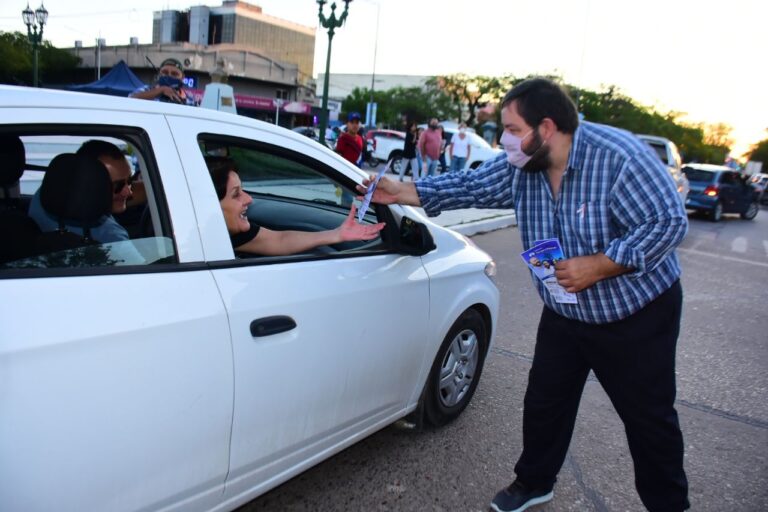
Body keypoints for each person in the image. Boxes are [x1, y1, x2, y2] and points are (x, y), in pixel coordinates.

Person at [358, 78, 690, 512]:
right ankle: (535, 482)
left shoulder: (619, 158)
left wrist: (601, 264)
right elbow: (469, 187)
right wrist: (400, 192)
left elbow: (668, 223)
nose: (504, 140)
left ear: (547, 128)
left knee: (648, 420)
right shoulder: (523, 164)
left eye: (512, 129)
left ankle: (668, 504)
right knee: (545, 403)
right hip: (565, 310)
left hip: (634, 312)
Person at [206, 156, 384, 256]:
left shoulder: (234, 235)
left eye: (243, 190)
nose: (249, 199)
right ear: (211, 205)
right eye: (236, 194)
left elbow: (279, 240)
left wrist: (337, 234)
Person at [29, 140, 134, 242]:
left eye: (130, 180)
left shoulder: (46, 195)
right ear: (88, 183)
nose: (129, 192)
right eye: (117, 185)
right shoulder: (112, 236)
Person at [130, 58, 197, 106]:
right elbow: (131, 99)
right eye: (165, 72)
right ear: (159, 74)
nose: (169, 76)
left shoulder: (190, 101)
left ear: (182, 77)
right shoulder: (147, 90)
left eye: (174, 74)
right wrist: (161, 90)